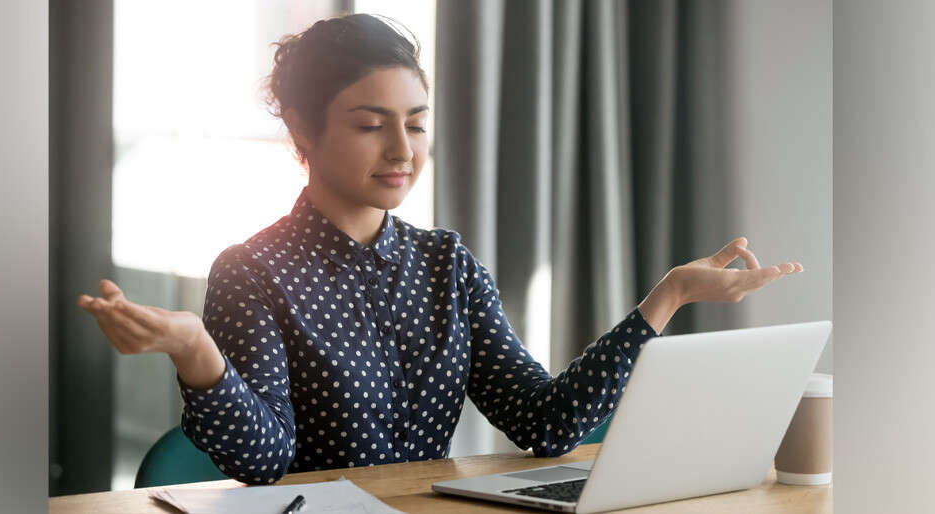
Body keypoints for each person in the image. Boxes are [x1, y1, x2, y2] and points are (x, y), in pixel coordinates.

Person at [77, 13, 802, 485]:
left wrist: (666, 298)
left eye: (417, 123)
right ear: (302, 130)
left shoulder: (446, 263)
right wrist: (197, 353)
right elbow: (264, 462)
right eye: (371, 124)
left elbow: (544, 421)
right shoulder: (253, 270)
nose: (402, 149)